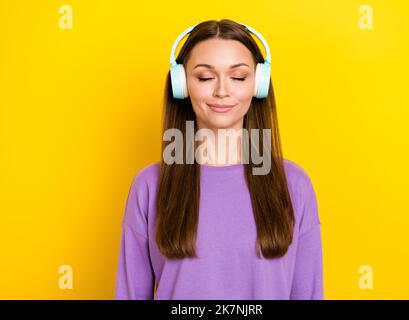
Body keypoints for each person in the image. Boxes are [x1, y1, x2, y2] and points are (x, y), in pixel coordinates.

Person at [115, 19, 323, 300]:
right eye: (205, 77)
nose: (222, 91)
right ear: (182, 84)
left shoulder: (294, 184)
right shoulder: (150, 185)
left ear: (258, 84)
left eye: (238, 77)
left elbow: (308, 294)